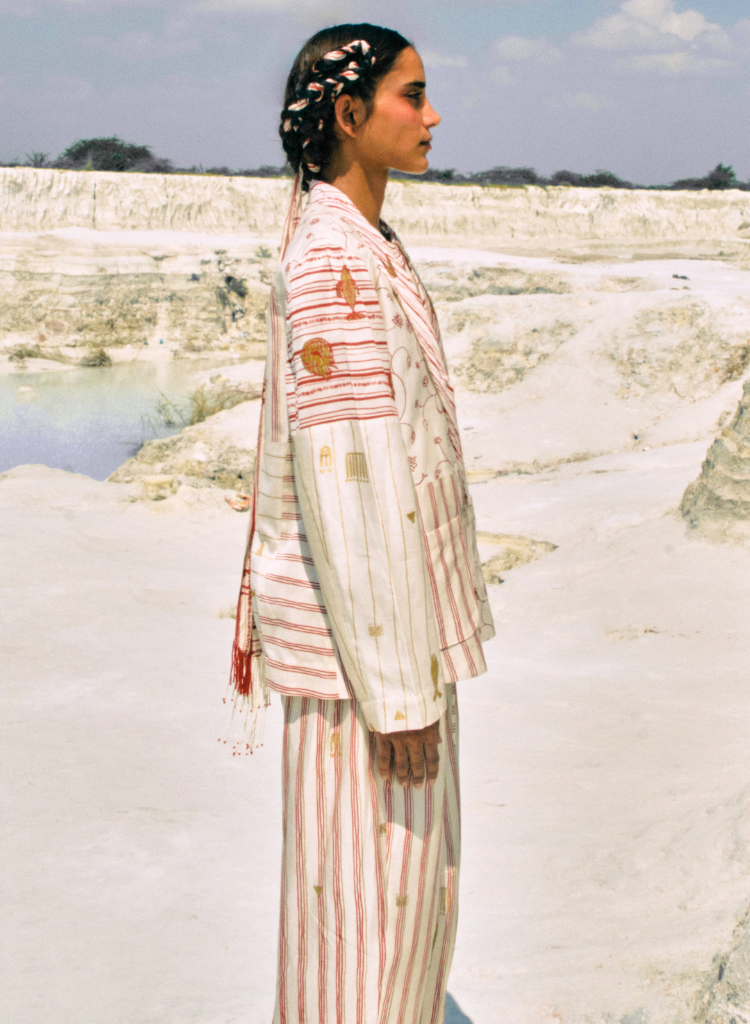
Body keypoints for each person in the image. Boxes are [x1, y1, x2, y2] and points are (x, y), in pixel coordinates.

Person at [229, 23, 495, 1024]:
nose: (433, 116)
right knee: (369, 909)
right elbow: (350, 481)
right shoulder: (331, 264)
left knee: (403, 902)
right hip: (366, 664)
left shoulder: (363, 241)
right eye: (411, 96)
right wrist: (398, 695)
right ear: (349, 114)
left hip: (388, 644)